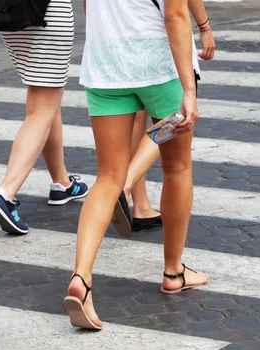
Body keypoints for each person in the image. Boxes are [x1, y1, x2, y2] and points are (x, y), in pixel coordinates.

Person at [63, 0, 209, 330]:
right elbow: (174, 13)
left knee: (108, 177)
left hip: (105, 63)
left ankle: (81, 279)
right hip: (159, 66)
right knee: (177, 168)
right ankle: (174, 272)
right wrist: (189, 89)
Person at [0, 0, 89, 236]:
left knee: (47, 97)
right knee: (42, 109)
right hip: (48, 15)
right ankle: (6, 194)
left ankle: (62, 183)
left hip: (10, 15)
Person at [123, 0, 216, 234]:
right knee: (175, 120)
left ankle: (141, 206)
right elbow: (177, 11)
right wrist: (204, 26)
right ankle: (126, 183)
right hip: (162, 47)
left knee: (138, 119)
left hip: (121, 44)